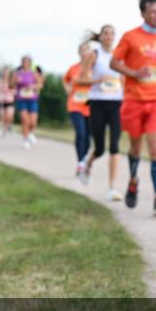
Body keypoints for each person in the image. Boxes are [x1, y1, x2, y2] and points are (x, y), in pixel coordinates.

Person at [109, 0, 156, 215]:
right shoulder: (130, 37)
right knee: (135, 148)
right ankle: (133, 180)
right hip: (134, 99)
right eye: (152, 12)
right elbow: (114, 62)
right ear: (142, 13)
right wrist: (133, 73)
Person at [80, 24, 124, 201]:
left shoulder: (119, 55)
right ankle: (88, 165)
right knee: (100, 148)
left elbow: (124, 78)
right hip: (98, 103)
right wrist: (99, 79)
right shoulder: (94, 55)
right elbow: (82, 78)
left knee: (115, 145)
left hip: (116, 104)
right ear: (101, 37)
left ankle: (112, 188)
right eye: (106, 33)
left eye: (112, 33)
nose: (109, 36)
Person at [64, 43, 94, 177]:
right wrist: (68, 89)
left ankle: (84, 158)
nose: (85, 52)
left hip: (90, 106)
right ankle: (80, 162)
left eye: (87, 50)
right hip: (75, 105)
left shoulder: (95, 68)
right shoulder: (73, 68)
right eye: (82, 50)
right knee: (80, 133)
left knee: (88, 137)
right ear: (79, 53)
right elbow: (66, 80)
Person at [11, 55, 43, 149]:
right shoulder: (17, 73)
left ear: (30, 63)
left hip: (32, 99)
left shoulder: (34, 73)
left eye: (27, 61)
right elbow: (11, 85)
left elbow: (40, 85)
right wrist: (15, 82)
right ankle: (25, 139)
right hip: (21, 99)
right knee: (25, 120)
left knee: (33, 122)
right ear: (21, 62)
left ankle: (30, 133)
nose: (25, 63)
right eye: (23, 61)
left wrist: (33, 87)